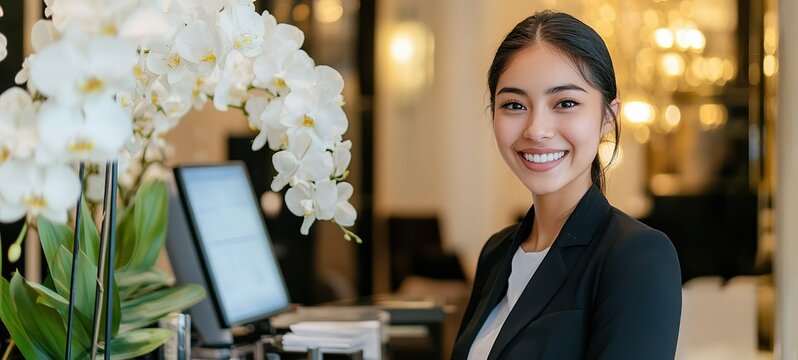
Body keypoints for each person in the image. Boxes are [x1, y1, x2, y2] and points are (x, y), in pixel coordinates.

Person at [451, 10, 682, 360]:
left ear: (608, 117)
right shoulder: (497, 253)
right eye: (514, 105)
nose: (536, 129)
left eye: (566, 103)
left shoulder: (637, 256)